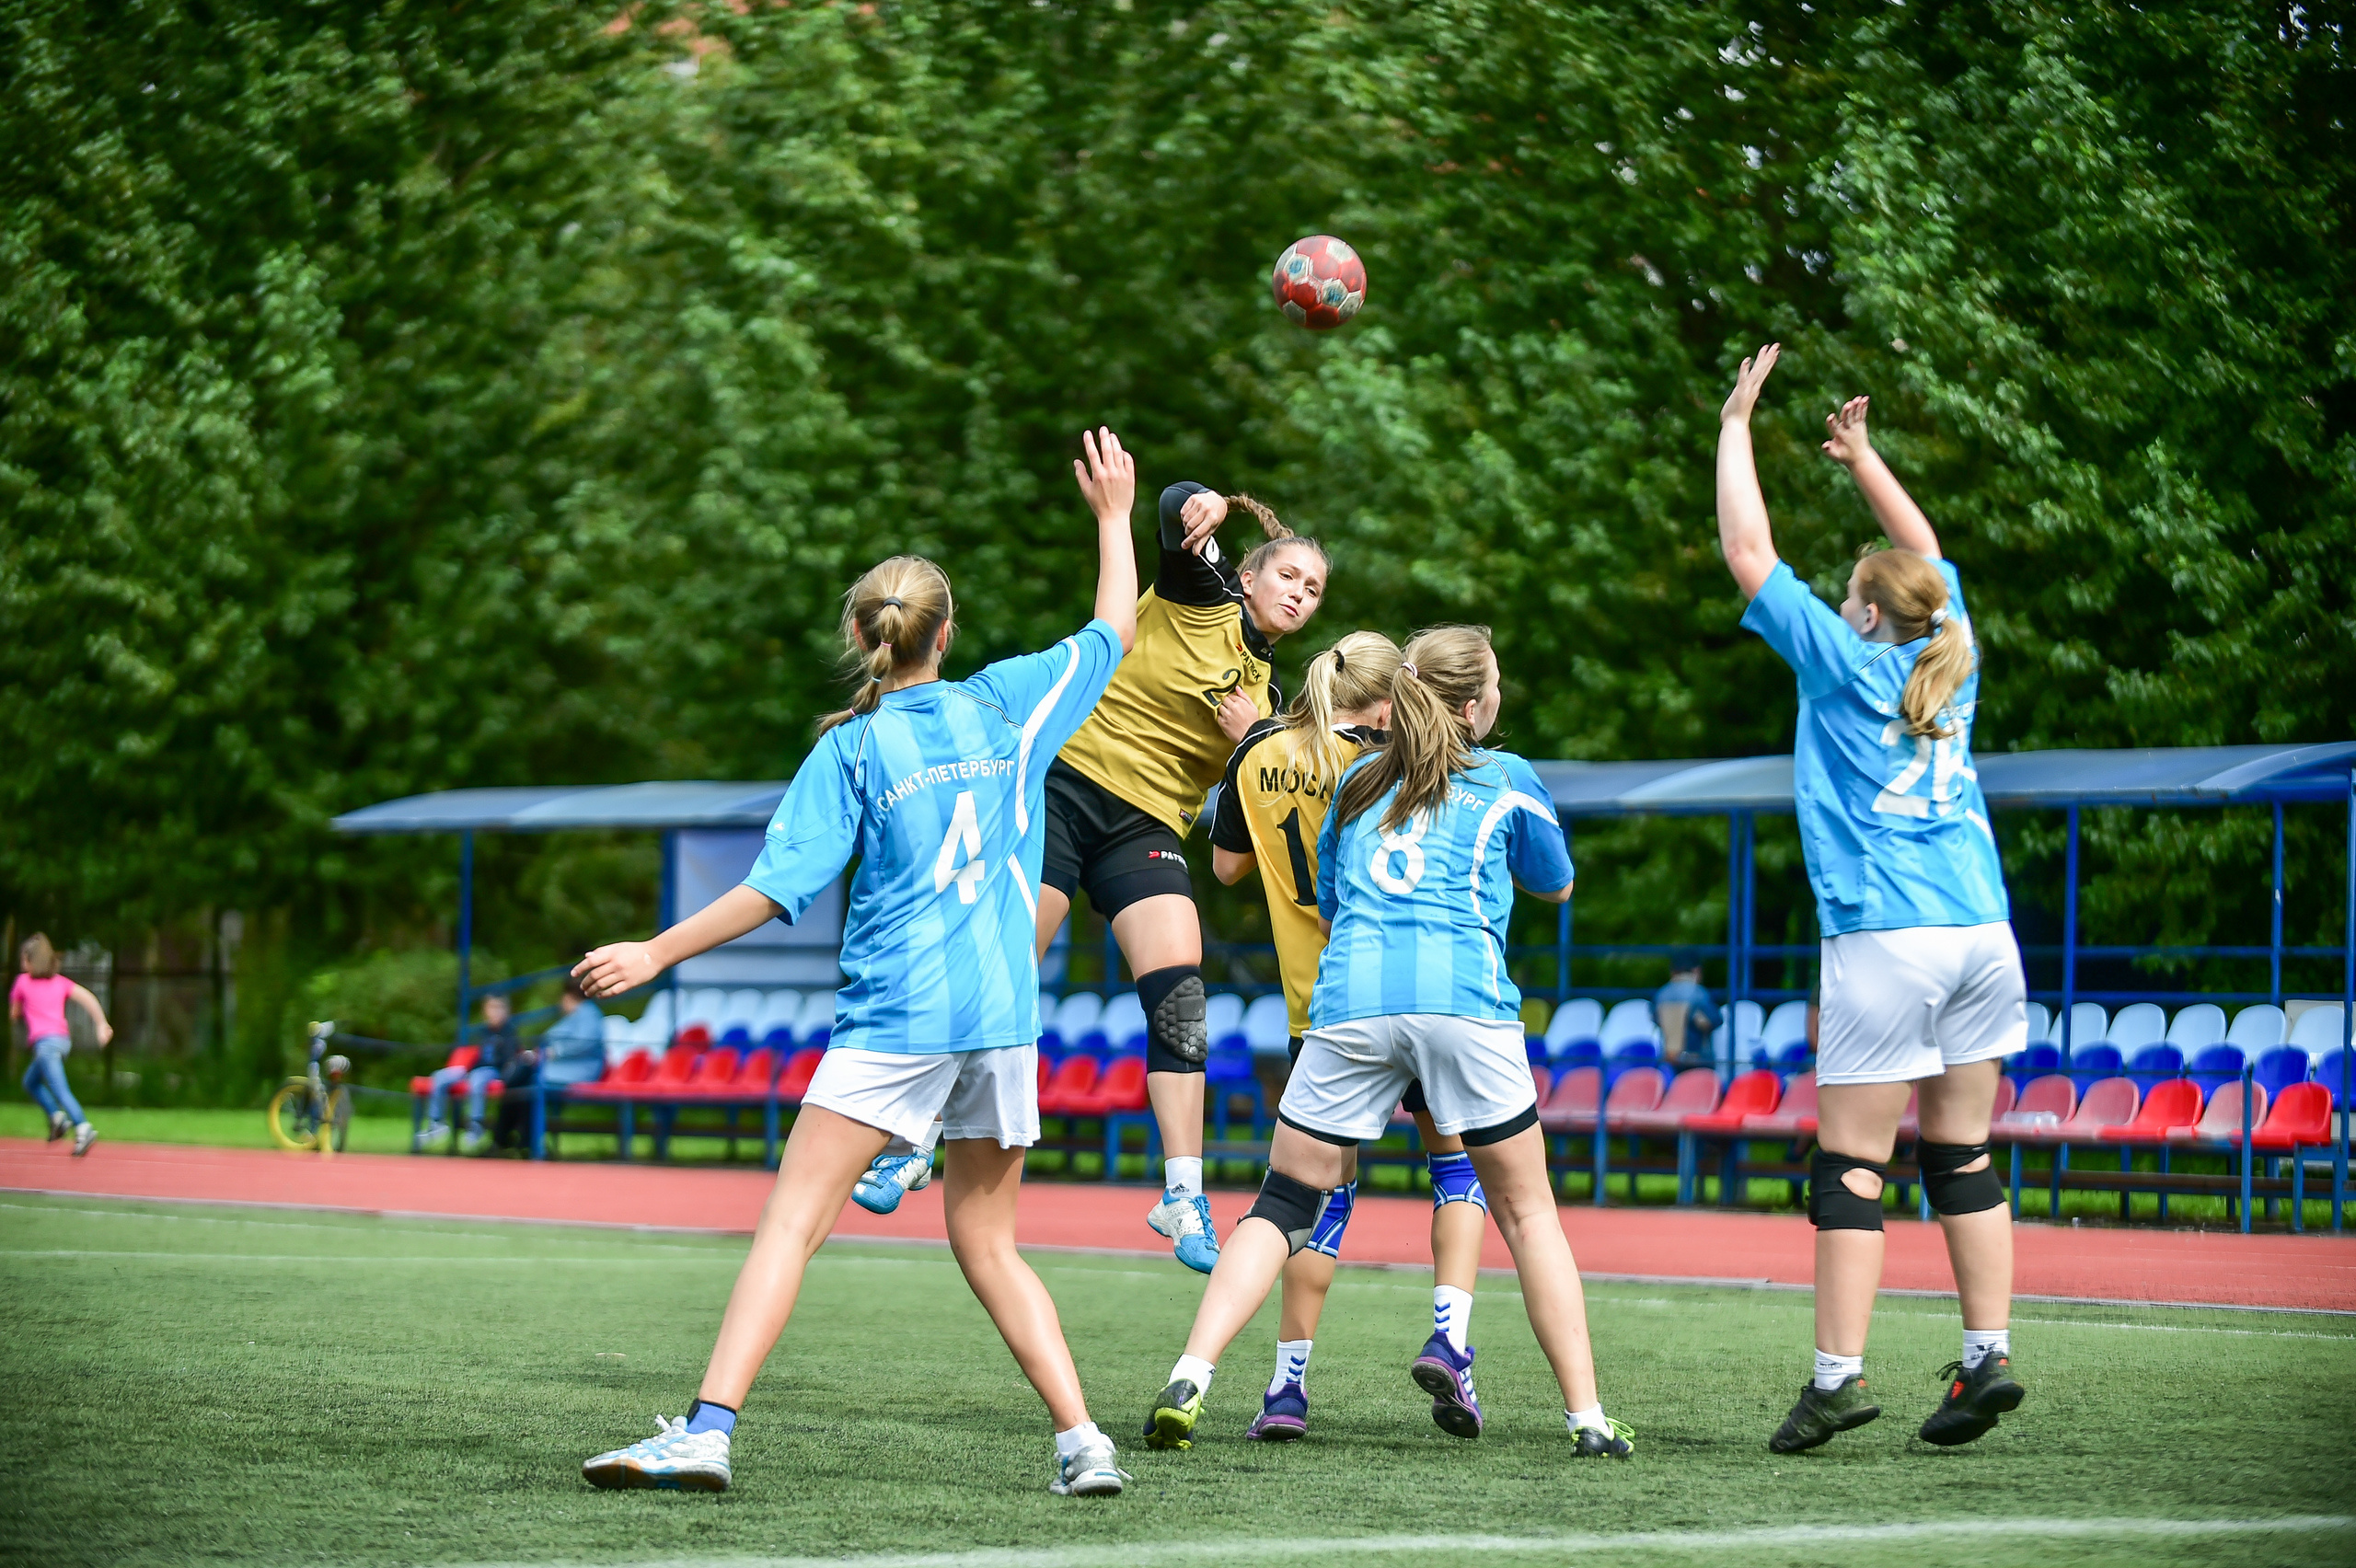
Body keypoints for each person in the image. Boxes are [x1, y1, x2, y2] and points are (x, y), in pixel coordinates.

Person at [572, 426, 1139, 1497]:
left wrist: (654, 950)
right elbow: (1113, 624)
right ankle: (1083, 1445)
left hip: (899, 1019)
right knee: (987, 1244)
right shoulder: (1010, 703)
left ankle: (707, 1430)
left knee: (789, 1227)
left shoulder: (852, 748)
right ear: (947, 630)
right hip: (1003, 1017)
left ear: (861, 634)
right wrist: (1113, 515)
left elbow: (770, 890)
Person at [1141, 626, 1632, 1458]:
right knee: (1525, 1208)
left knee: (1283, 1205)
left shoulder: (1361, 780)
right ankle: (1586, 1417)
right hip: (1465, 1007)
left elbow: (1331, 904)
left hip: (1348, 1006)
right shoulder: (1506, 777)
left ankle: (1192, 1374)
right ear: (1476, 705)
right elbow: (1557, 883)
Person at [861, 478, 1332, 1270]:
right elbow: (1172, 506)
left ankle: (1183, 1195)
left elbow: (1230, 854)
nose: (1300, 593)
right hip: (1063, 791)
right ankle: (914, 1140)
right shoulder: (1203, 590)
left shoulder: (1270, 701)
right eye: (1288, 575)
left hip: (1144, 828)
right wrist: (1204, 501)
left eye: (1314, 589)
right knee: (1004, 967)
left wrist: (1256, 743)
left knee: (1182, 997)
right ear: (1248, 577)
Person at [1716, 344, 2026, 1453]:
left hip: (1884, 936)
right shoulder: (1956, 647)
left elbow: (1748, 550)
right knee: (1962, 1153)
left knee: (1851, 1162)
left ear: (1859, 615)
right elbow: (1926, 557)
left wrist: (1734, 428)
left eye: (1850, 594)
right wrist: (1861, 458)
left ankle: (1837, 1381)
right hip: (1983, 932)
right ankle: (1986, 1356)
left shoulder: (1841, 665)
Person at [1207, 628, 1493, 1441]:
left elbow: (1227, 868)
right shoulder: (1385, 767)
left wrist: (1253, 743)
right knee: (1455, 1170)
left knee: (1315, 1200)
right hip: (1411, 986)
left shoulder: (1259, 757)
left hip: (1319, 1009)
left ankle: (1286, 1387)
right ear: (1382, 702)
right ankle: (1452, 1342)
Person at [10, 933, 109, 1157]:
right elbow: (88, 998)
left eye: (23, 959)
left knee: (60, 1089)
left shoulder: (22, 982)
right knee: (31, 1081)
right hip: (62, 1042)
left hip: (46, 1045)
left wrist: (20, 1009)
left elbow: (14, 1013)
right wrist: (101, 1024)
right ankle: (57, 1118)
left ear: (29, 960)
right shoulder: (60, 983)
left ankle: (82, 1126)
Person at [494, 979, 605, 1151]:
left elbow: (582, 1044)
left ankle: (515, 1141)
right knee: (519, 1082)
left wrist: (554, 1051)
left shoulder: (588, 1014)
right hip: (560, 1069)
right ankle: (513, 1140)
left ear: (569, 997)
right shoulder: (577, 1015)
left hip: (578, 1071)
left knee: (524, 1083)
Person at [419, 993, 516, 1152]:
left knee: (478, 1079)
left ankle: (476, 1124)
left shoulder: (509, 1033)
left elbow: (508, 1061)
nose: (495, 1013)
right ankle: (436, 1123)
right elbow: (475, 1057)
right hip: (473, 1070)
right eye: (491, 1008)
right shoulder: (484, 1032)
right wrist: (465, 1069)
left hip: (492, 1072)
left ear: (507, 1011)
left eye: (499, 1008)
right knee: (440, 1076)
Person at [1652, 952, 1720, 1067]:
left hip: (1669, 1060)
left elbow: (1655, 1019)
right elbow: (1714, 1021)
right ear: (1697, 970)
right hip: (1697, 1059)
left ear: (1672, 971)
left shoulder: (1661, 994)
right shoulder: (1699, 993)